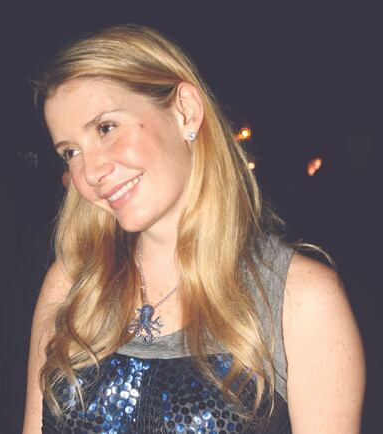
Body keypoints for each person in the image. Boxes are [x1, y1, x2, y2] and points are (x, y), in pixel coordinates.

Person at [23, 24, 365, 433]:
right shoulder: (72, 285)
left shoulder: (299, 297)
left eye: (106, 128)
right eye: (70, 152)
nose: (91, 171)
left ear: (184, 110)